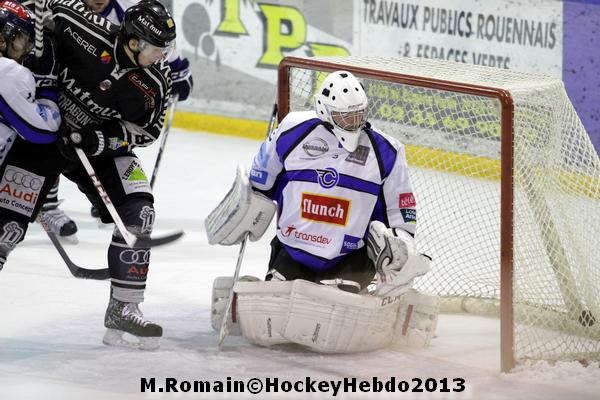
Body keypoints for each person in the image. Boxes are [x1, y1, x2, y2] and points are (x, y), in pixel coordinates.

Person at [207, 71, 436, 351]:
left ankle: (390, 305)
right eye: (345, 116)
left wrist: (402, 248)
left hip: (349, 258)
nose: (354, 123)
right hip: (291, 251)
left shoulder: (386, 151)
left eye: (359, 114)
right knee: (272, 328)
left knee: (334, 326)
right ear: (325, 111)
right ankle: (246, 293)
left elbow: (402, 211)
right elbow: (259, 183)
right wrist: (244, 207)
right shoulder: (292, 130)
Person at [43, 0, 175, 349]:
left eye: (164, 49)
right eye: (154, 48)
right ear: (133, 40)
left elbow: (146, 133)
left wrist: (99, 139)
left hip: (98, 149)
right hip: (42, 135)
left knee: (140, 212)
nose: (160, 56)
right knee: (7, 217)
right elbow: (41, 16)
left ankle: (124, 307)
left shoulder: (154, 86)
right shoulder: (78, 23)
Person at [0, 0, 64, 269]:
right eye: (22, 39)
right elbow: (40, 131)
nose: (27, 48)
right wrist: (48, 90)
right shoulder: (9, 72)